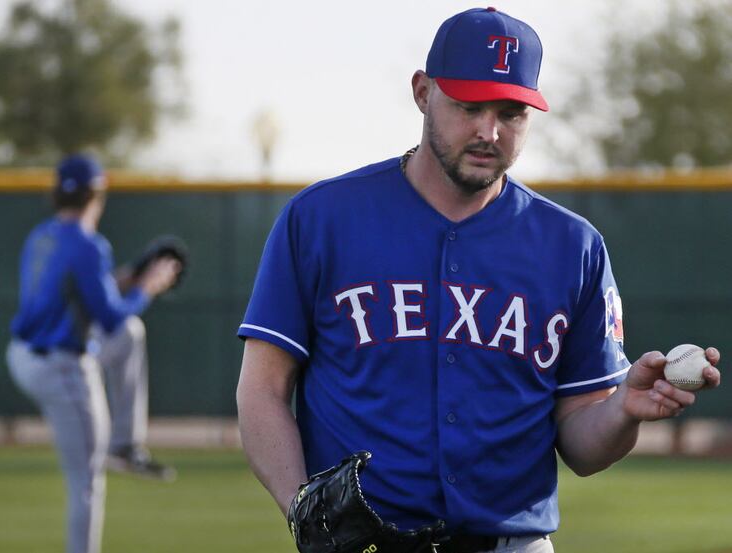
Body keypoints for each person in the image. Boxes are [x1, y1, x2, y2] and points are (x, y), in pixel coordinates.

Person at [235, 7, 721, 553]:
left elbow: (583, 446)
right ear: (423, 92)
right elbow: (262, 389)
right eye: (469, 106)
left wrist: (622, 411)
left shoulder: (573, 246)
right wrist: (303, 504)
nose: (489, 130)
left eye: (511, 113)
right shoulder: (320, 219)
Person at [6, 153, 180, 553]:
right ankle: (115, 450)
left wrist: (126, 278)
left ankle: (124, 443)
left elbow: (76, 295)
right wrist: (147, 287)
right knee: (86, 484)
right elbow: (109, 315)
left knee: (132, 337)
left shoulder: (42, 237)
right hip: (59, 366)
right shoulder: (88, 243)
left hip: (22, 355)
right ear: (96, 196)